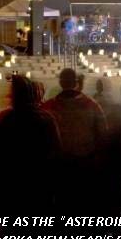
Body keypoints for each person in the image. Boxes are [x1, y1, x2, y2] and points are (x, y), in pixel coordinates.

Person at [0, 75, 61, 214]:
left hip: (15, 187)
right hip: (41, 184)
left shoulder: (6, 121)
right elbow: (56, 152)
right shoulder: (47, 118)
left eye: (10, 94)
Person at [43, 68, 108, 212]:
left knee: (64, 203)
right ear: (76, 83)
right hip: (85, 161)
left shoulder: (49, 107)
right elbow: (103, 133)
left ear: (60, 83)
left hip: (60, 164)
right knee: (84, 202)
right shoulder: (92, 105)